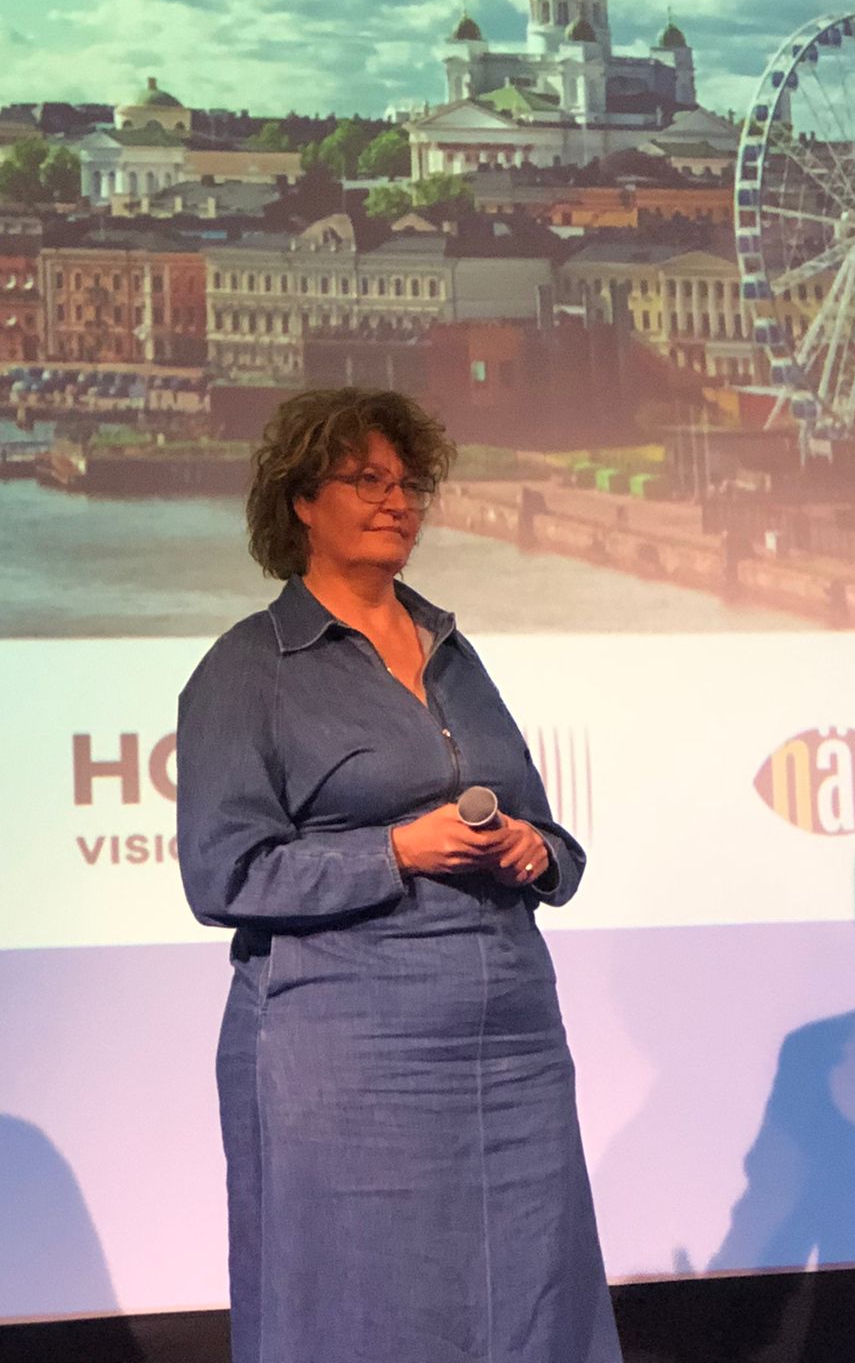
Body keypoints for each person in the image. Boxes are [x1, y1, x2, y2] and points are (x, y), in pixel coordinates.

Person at [177, 387, 621, 1363]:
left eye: (409, 483)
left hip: (512, 1045)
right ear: (302, 500)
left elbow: (553, 836)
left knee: (533, 1296)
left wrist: (533, 849)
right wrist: (397, 851)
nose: (397, 500)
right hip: (349, 1051)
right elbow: (224, 873)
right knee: (361, 1305)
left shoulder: (453, 651)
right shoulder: (251, 667)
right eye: (367, 480)